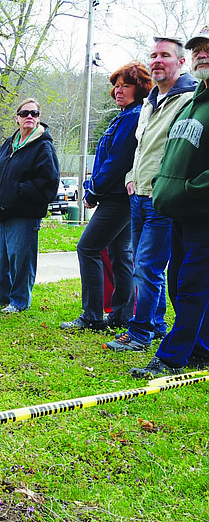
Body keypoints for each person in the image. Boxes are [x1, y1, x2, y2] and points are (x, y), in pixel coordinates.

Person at [108, 37, 198, 351]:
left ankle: (139, 333)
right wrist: (132, 177)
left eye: (165, 56)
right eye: (153, 56)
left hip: (163, 198)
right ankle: (155, 324)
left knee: (148, 266)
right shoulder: (150, 101)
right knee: (141, 265)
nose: (157, 61)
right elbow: (143, 148)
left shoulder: (189, 99)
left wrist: (163, 184)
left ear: (181, 62)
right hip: (139, 195)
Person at [130, 28, 209, 378]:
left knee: (191, 286)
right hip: (178, 213)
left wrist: (190, 190)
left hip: (202, 212)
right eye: (199, 49)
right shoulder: (194, 101)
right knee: (177, 283)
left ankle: (173, 357)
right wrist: (165, 185)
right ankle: (202, 350)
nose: (202, 54)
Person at [61, 63, 151, 333]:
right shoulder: (124, 116)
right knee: (120, 254)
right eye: (116, 85)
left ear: (139, 88)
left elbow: (116, 161)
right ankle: (122, 315)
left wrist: (93, 191)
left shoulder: (133, 117)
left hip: (116, 197)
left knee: (87, 248)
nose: (118, 91)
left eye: (125, 85)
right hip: (120, 197)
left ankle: (92, 316)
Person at [0, 98, 60, 313]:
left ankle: (19, 302)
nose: (29, 116)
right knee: (2, 262)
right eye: (25, 113)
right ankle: (5, 301)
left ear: (39, 119)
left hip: (25, 214)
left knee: (21, 261)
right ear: (16, 118)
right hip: (3, 213)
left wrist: (17, 191)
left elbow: (48, 184)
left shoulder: (43, 147)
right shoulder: (8, 144)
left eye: (34, 114)